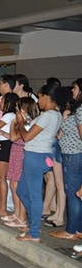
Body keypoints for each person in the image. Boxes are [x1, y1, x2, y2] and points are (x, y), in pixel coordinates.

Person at [15, 83, 62, 242]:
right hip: (40, 155)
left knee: (34, 196)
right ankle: (33, 222)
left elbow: (27, 136)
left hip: (35, 155)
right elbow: (38, 130)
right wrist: (26, 118)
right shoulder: (55, 114)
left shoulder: (49, 114)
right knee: (22, 190)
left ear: (47, 97)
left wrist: (20, 122)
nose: (38, 102)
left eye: (40, 98)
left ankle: (34, 232)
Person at [0, 97, 38, 230]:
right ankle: (17, 213)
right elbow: (12, 137)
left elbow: (14, 137)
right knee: (14, 185)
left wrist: (13, 123)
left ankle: (22, 216)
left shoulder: (28, 122)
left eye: (18, 107)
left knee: (19, 186)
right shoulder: (22, 121)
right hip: (15, 152)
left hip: (21, 153)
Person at [50, 82, 82, 241]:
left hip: (73, 154)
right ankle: (78, 229)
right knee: (76, 193)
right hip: (73, 154)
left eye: (75, 88)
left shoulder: (79, 111)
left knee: (73, 193)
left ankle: (71, 230)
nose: (72, 91)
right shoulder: (76, 110)